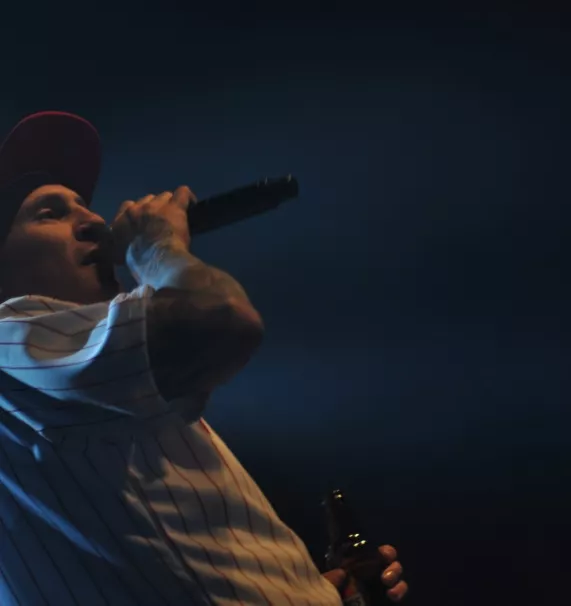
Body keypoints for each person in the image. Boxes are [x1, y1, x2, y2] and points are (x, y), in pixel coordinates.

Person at [0, 112, 408, 605]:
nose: (94, 223)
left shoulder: (81, 385)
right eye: (49, 214)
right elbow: (224, 318)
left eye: (84, 207)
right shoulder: (9, 343)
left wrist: (306, 590)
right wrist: (155, 247)